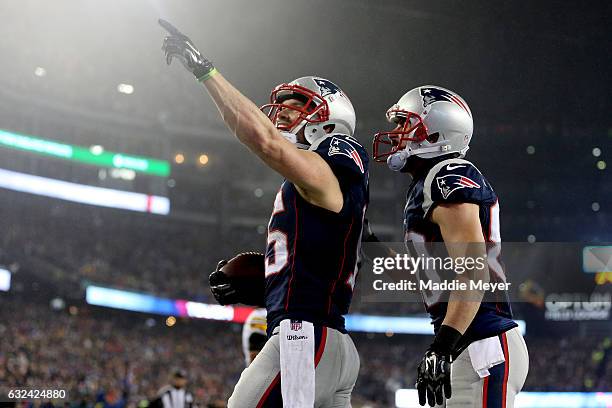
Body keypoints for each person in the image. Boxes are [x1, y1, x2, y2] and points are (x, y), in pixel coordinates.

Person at [159, 19, 368, 407]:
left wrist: (205, 71)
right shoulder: (315, 183)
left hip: (306, 338)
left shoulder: (332, 166)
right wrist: (273, 289)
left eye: (299, 107)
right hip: (326, 341)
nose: (284, 114)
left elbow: (264, 141)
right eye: (284, 106)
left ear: (330, 121)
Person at [372, 85, 529, 407]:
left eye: (405, 123)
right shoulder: (426, 184)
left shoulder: (450, 172)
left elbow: (473, 271)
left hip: (482, 340)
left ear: (434, 133)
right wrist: (368, 243)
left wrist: (442, 346)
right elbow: (424, 279)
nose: (396, 133)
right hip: (465, 343)